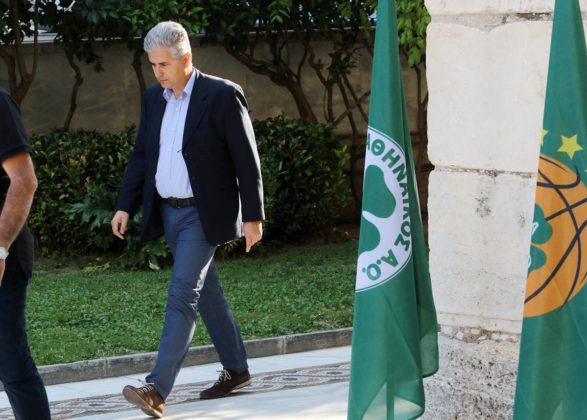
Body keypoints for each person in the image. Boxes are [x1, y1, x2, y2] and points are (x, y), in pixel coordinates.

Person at [111, 21, 264, 418]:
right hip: (169, 212)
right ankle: (237, 370)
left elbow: (246, 160)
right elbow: (142, 154)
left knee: (182, 295)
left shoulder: (222, 94)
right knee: (207, 292)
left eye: (164, 64)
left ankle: (156, 389)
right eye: (153, 64)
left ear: (186, 59)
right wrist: (125, 204)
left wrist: (253, 216)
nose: (158, 72)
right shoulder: (154, 98)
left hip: (203, 214)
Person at [0, 87, 51, 419]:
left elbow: (24, 181)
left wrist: (0, 249)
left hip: (4, 255)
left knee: (11, 363)